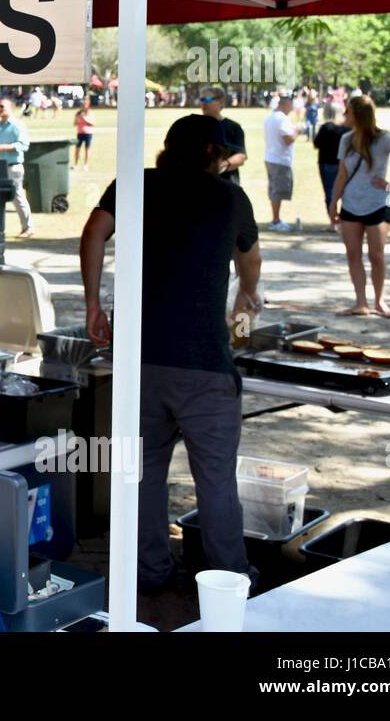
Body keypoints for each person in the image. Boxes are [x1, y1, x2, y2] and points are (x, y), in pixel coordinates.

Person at [80, 114, 263, 593]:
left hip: (139, 359)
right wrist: (248, 292)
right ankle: (227, 580)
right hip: (205, 364)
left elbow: (93, 232)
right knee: (217, 483)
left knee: (142, 478)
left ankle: (149, 573)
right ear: (210, 153)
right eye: (222, 154)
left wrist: (93, 303)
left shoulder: (135, 184)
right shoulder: (230, 197)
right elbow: (251, 257)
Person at [328, 95, 390, 318]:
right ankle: (360, 302)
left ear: (358, 115)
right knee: (353, 255)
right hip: (351, 204)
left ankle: (380, 302)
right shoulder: (347, 140)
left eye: (348, 111)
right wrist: (334, 203)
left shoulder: (384, 139)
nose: (345, 115)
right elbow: (342, 175)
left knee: (376, 255)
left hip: (378, 204)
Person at [0, 98, 33, 237]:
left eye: (2, 106)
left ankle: (28, 228)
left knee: (17, 197)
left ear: (11, 109)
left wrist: (6, 148)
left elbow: (24, 145)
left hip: (13, 167)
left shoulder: (17, 125)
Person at [262, 92, 298, 230]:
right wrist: (297, 131)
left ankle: (275, 218)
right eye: (290, 105)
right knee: (278, 191)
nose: (292, 108)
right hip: (280, 159)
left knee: (274, 190)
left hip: (271, 156)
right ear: (284, 104)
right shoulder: (282, 119)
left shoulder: (270, 116)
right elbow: (287, 139)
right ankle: (276, 220)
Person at [312, 103, 349, 233]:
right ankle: (346, 222)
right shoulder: (346, 129)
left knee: (329, 194)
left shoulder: (325, 127)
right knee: (345, 193)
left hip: (326, 163)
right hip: (343, 164)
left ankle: (333, 223)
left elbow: (316, 144)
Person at [198, 86, 247, 185]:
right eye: (201, 99)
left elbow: (241, 156)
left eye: (208, 99)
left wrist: (221, 166)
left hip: (227, 184)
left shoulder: (233, 127)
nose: (203, 103)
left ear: (221, 102)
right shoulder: (193, 125)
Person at [72, 98, 95, 170]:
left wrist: (84, 119)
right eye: (83, 105)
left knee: (87, 149)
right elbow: (74, 124)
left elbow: (92, 124)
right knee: (77, 149)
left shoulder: (90, 114)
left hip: (88, 133)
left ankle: (86, 165)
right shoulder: (78, 114)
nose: (84, 106)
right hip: (80, 133)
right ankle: (75, 164)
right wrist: (77, 120)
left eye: (85, 105)